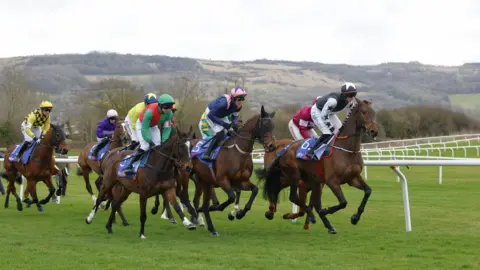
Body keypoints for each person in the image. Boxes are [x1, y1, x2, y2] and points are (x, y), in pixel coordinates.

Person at [122, 94, 176, 174]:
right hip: (142, 124)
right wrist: (149, 141)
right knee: (145, 146)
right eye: (166, 107)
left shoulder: (169, 113)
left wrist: (164, 141)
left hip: (153, 125)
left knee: (158, 145)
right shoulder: (150, 112)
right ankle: (130, 166)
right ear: (160, 105)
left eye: (170, 107)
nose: (168, 110)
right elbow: (144, 129)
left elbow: (167, 128)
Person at [305, 82, 358, 159]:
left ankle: (337, 149)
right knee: (328, 133)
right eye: (350, 95)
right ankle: (311, 152)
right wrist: (331, 128)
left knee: (341, 130)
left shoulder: (349, 102)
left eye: (354, 95)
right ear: (344, 95)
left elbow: (350, 115)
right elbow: (323, 115)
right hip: (318, 112)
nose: (352, 98)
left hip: (329, 112)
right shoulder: (333, 101)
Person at [198, 86, 247, 160]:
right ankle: (207, 153)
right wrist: (223, 124)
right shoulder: (223, 103)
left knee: (231, 132)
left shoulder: (238, 106)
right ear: (233, 99)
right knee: (221, 133)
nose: (241, 101)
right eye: (239, 99)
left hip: (221, 115)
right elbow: (210, 115)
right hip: (210, 115)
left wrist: (234, 125)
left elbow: (235, 117)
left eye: (243, 99)